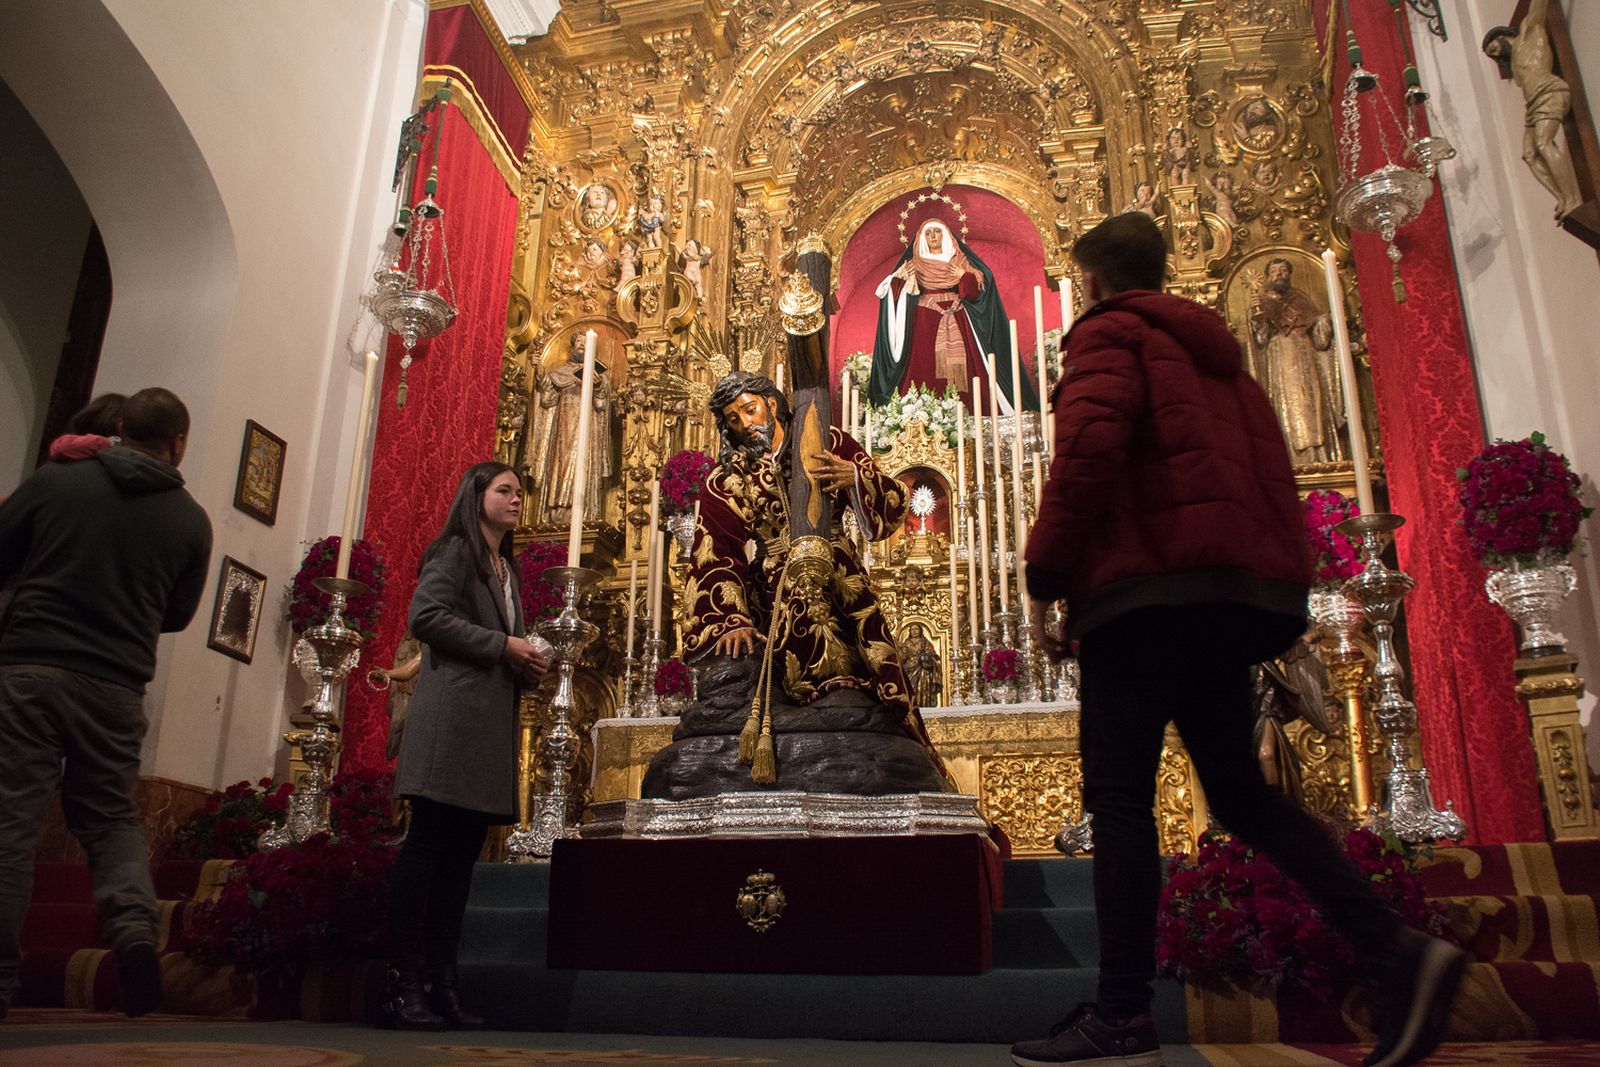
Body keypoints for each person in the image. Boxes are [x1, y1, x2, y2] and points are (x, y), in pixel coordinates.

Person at [1014, 213, 1465, 1067]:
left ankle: (1122, 1011)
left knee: (1118, 800)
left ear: (1094, 282)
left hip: (1140, 599)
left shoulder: (1109, 336)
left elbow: (1089, 453)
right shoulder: (1218, 356)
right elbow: (1268, 473)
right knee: (1240, 794)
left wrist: (1045, 572)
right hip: (1220, 597)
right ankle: (1391, 944)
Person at [0, 387, 212, 1021]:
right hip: (116, 686)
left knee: (9, 825)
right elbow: (177, 614)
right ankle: (137, 944)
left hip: (31, 671)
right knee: (112, 821)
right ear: (179, 442)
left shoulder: (57, 482)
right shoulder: (190, 520)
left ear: (121, 427)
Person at [673, 371, 947, 787]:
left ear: (772, 403)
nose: (745, 423)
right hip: (772, 584)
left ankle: (852, 694)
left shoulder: (826, 440)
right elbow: (715, 551)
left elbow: (893, 503)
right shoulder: (728, 476)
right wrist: (731, 620)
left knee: (868, 657)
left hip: (838, 571)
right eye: (733, 419)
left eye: (750, 409)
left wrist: (855, 478)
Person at [382, 462, 549, 1031]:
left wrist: (527, 665)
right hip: (451, 722)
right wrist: (503, 645)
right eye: (504, 490)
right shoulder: (455, 550)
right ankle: (402, 984)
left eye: (520, 492)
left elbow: (501, 644)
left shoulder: (507, 568)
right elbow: (426, 617)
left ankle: (442, 982)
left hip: (484, 727)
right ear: (475, 497)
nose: (517, 499)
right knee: (428, 849)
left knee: (459, 863)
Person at [868, 218, 1036, 414]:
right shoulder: (914, 264)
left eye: (936, 231)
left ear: (945, 235)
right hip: (924, 321)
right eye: (928, 233)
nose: (932, 236)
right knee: (924, 366)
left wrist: (963, 276)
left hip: (958, 317)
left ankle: (971, 411)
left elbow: (977, 292)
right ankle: (924, 414)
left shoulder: (960, 261)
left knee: (969, 369)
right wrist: (901, 277)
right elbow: (891, 293)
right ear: (921, 238)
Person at [1483, 0, 1585, 221]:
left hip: (1549, 92)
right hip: (1533, 104)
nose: (1496, 54)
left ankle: (1574, 199)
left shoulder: (1530, 32)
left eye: (1494, 48)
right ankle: (1562, 198)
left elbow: (1538, 5)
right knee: (1529, 154)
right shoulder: (1515, 67)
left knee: (1543, 143)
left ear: (1502, 35)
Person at [1249, 257, 1341, 466]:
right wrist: (1258, 317)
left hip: (1305, 351)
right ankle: (1295, 455)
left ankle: (1318, 452)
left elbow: (1321, 341)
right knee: (1289, 400)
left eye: (1283, 270)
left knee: (1311, 399)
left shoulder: (1301, 300)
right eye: (1275, 271)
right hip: (1281, 352)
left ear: (1290, 274)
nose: (1279, 274)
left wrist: (1328, 319)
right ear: (1268, 277)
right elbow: (1261, 340)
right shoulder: (1262, 302)